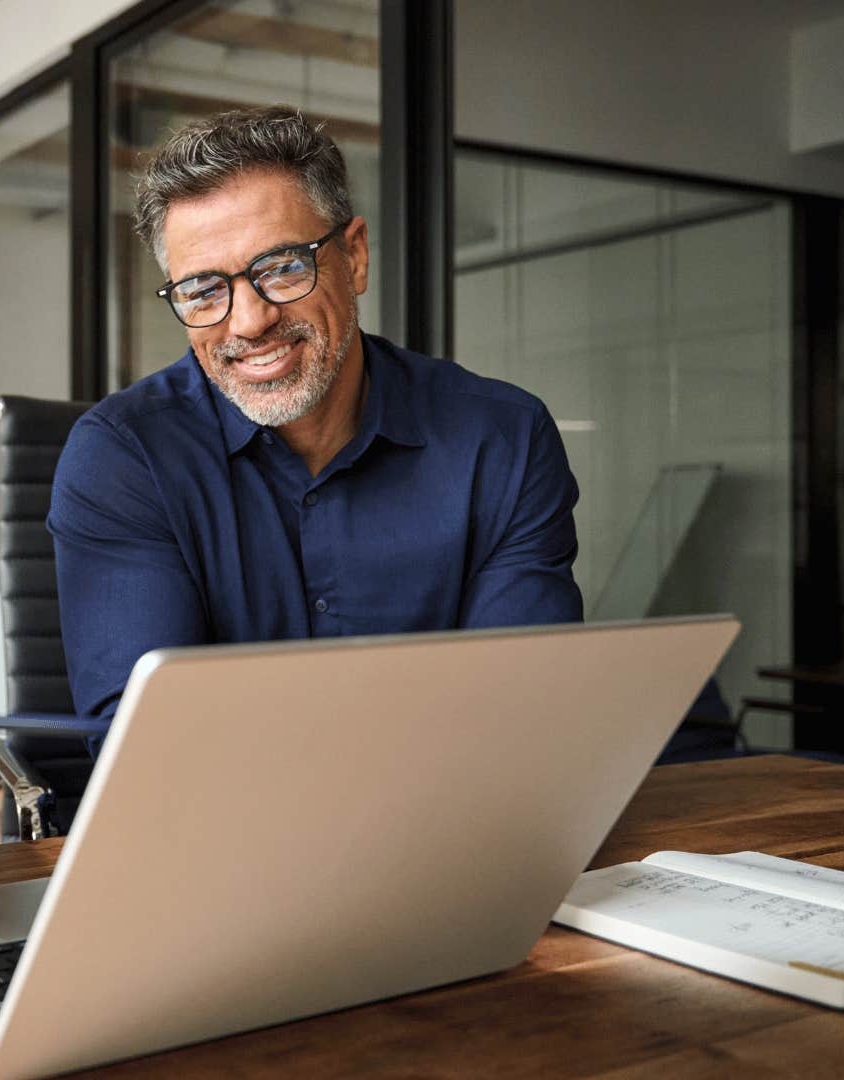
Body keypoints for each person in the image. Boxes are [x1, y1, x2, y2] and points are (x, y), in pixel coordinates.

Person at [50, 105, 583, 723]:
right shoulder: (122, 457)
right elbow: (142, 743)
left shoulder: (503, 439)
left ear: (353, 257)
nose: (248, 322)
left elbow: (521, 713)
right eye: (202, 290)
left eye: (281, 268)